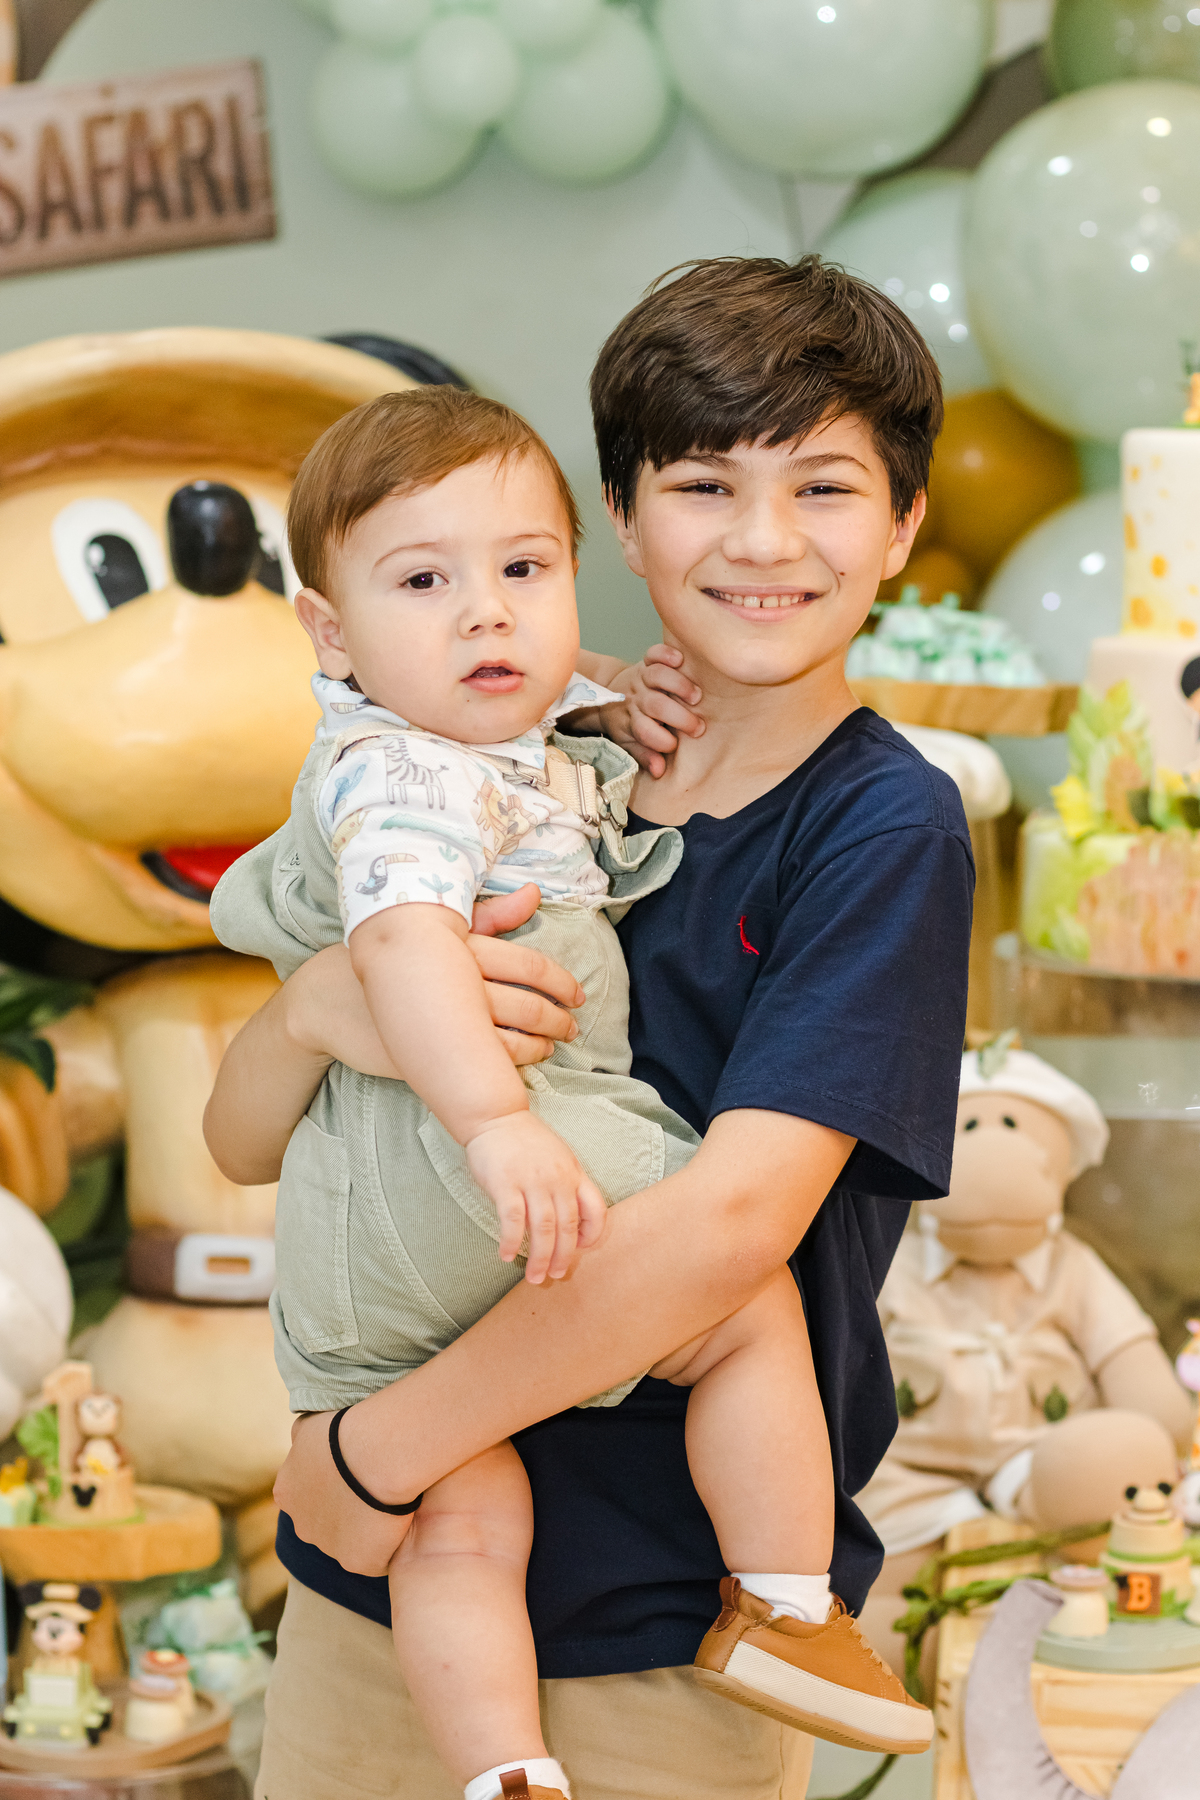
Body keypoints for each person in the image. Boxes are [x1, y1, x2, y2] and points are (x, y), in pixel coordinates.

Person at [204, 254, 974, 1800]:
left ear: (903, 525)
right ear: (619, 516)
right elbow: (237, 1141)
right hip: (382, 1595)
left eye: (826, 488)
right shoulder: (500, 760)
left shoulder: (882, 829)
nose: (765, 540)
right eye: (703, 484)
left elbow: (725, 1233)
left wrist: (370, 1454)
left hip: (646, 1632)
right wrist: (321, 1007)